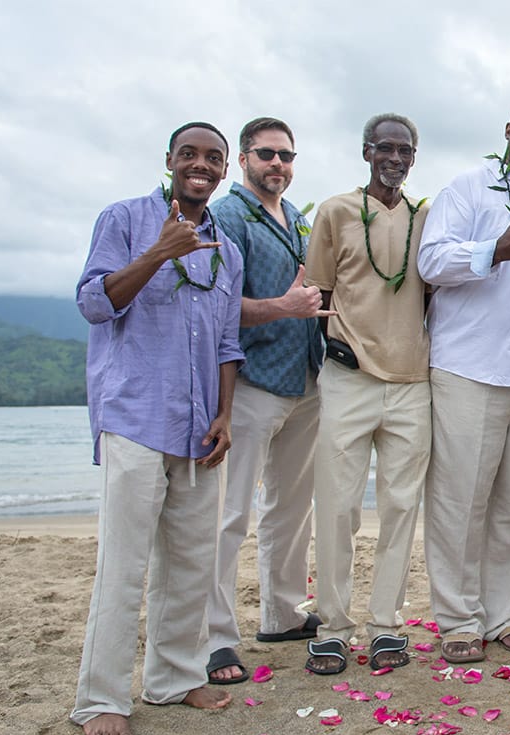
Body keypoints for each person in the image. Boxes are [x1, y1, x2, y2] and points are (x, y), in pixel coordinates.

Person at [72, 122, 243, 735]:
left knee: (192, 563)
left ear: (224, 170)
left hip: (200, 425)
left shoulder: (228, 246)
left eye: (212, 158)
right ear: (169, 161)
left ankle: (173, 678)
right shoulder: (122, 219)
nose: (201, 165)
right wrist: (158, 252)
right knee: (122, 565)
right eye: (189, 155)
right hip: (136, 414)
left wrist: (225, 414)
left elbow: (228, 340)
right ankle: (102, 700)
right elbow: (95, 303)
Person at [417, 100, 510, 664]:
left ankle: (502, 615)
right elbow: (431, 261)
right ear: (508, 131)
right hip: (469, 367)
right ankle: (457, 619)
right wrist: (496, 250)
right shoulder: (468, 186)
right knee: (460, 501)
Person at [301, 114, 432, 674]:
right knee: (336, 507)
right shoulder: (335, 211)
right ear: (366, 151)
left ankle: (385, 625)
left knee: (401, 508)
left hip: (412, 382)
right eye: (386, 148)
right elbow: (316, 293)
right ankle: (332, 625)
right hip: (349, 377)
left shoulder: (427, 217)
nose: (395, 158)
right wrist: (332, 352)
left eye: (406, 150)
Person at [205, 117, 329, 684]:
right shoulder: (227, 217)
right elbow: (214, 307)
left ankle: (281, 613)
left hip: (305, 379)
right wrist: (284, 307)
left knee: (290, 507)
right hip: (251, 380)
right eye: (266, 154)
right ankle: (214, 636)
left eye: (286, 155)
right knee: (227, 515)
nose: (278, 164)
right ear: (243, 160)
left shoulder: (299, 218)